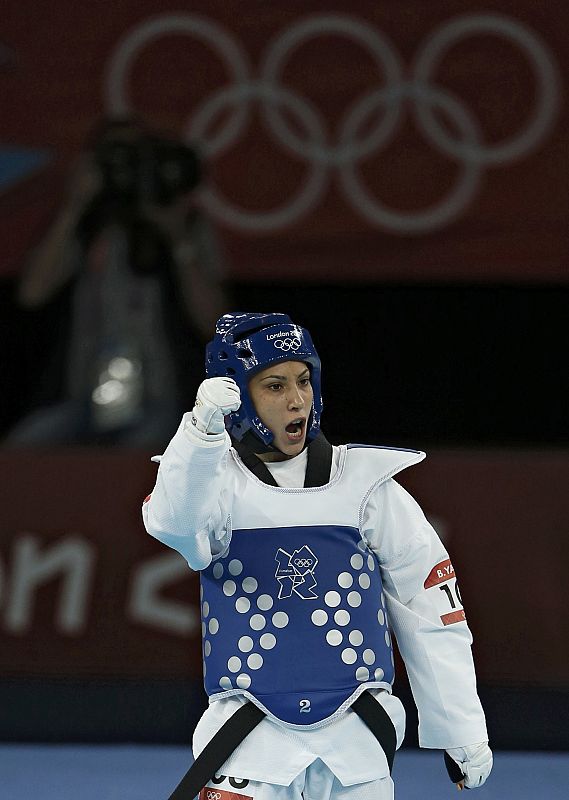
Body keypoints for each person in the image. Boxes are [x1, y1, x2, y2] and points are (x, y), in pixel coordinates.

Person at [142, 312, 492, 800]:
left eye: (304, 380)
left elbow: (430, 606)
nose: (296, 399)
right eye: (274, 386)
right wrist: (200, 435)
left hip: (356, 744)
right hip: (249, 744)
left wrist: (461, 728)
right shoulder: (212, 483)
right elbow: (174, 527)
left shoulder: (368, 485)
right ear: (237, 398)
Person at [6, 117, 227, 447]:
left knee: (141, 456)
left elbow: (214, 322)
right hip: (81, 400)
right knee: (22, 451)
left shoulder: (182, 224)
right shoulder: (85, 224)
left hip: (159, 399)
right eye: (115, 158)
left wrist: (178, 238)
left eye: (134, 158)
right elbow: (32, 293)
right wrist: (74, 205)